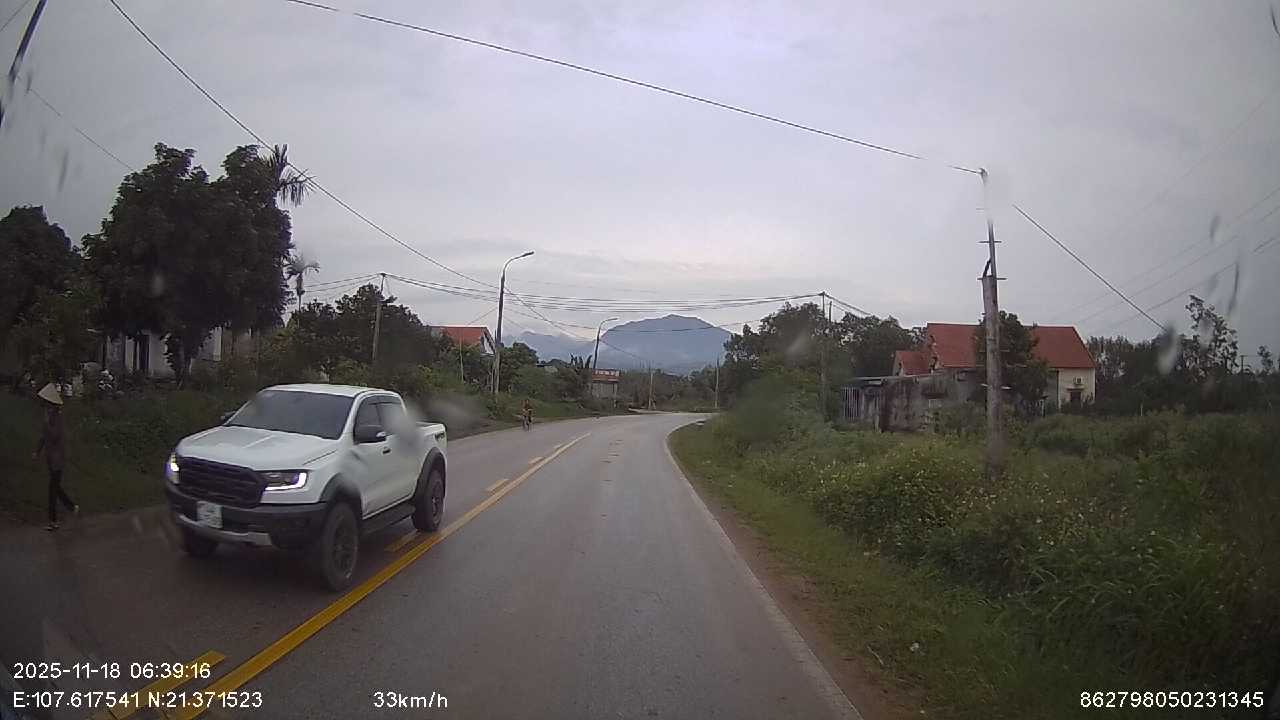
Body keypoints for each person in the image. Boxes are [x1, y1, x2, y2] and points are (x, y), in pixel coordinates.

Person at [34, 383, 77, 531]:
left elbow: (54, 435)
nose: (44, 404)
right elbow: (44, 436)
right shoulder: (48, 415)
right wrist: (37, 451)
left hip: (57, 459)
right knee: (56, 487)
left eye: (46, 402)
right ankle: (72, 507)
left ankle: (53, 521)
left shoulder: (57, 417)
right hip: (50, 458)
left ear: (51, 403)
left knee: (52, 490)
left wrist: (47, 424)